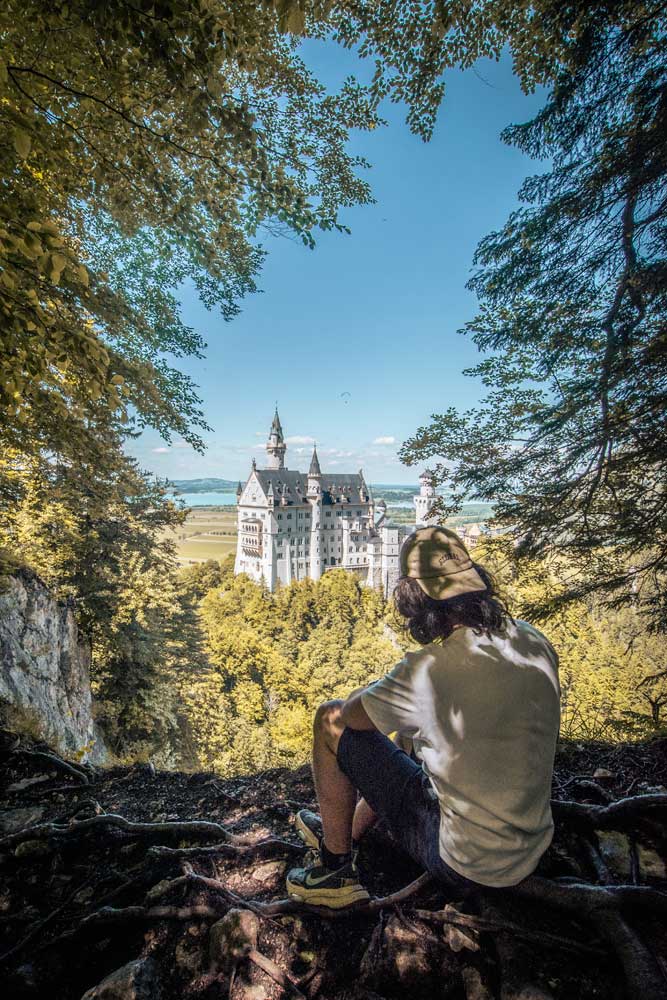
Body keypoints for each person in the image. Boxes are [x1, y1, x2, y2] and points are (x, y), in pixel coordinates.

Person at [285, 525, 561, 908]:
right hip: (529, 845)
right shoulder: (532, 639)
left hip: (466, 864)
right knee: (410, 736)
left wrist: (380, 687)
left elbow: (348, 715)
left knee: (327, 719)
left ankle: (334, 871)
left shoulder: (430, 671)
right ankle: (347, 830)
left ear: (417, 601)